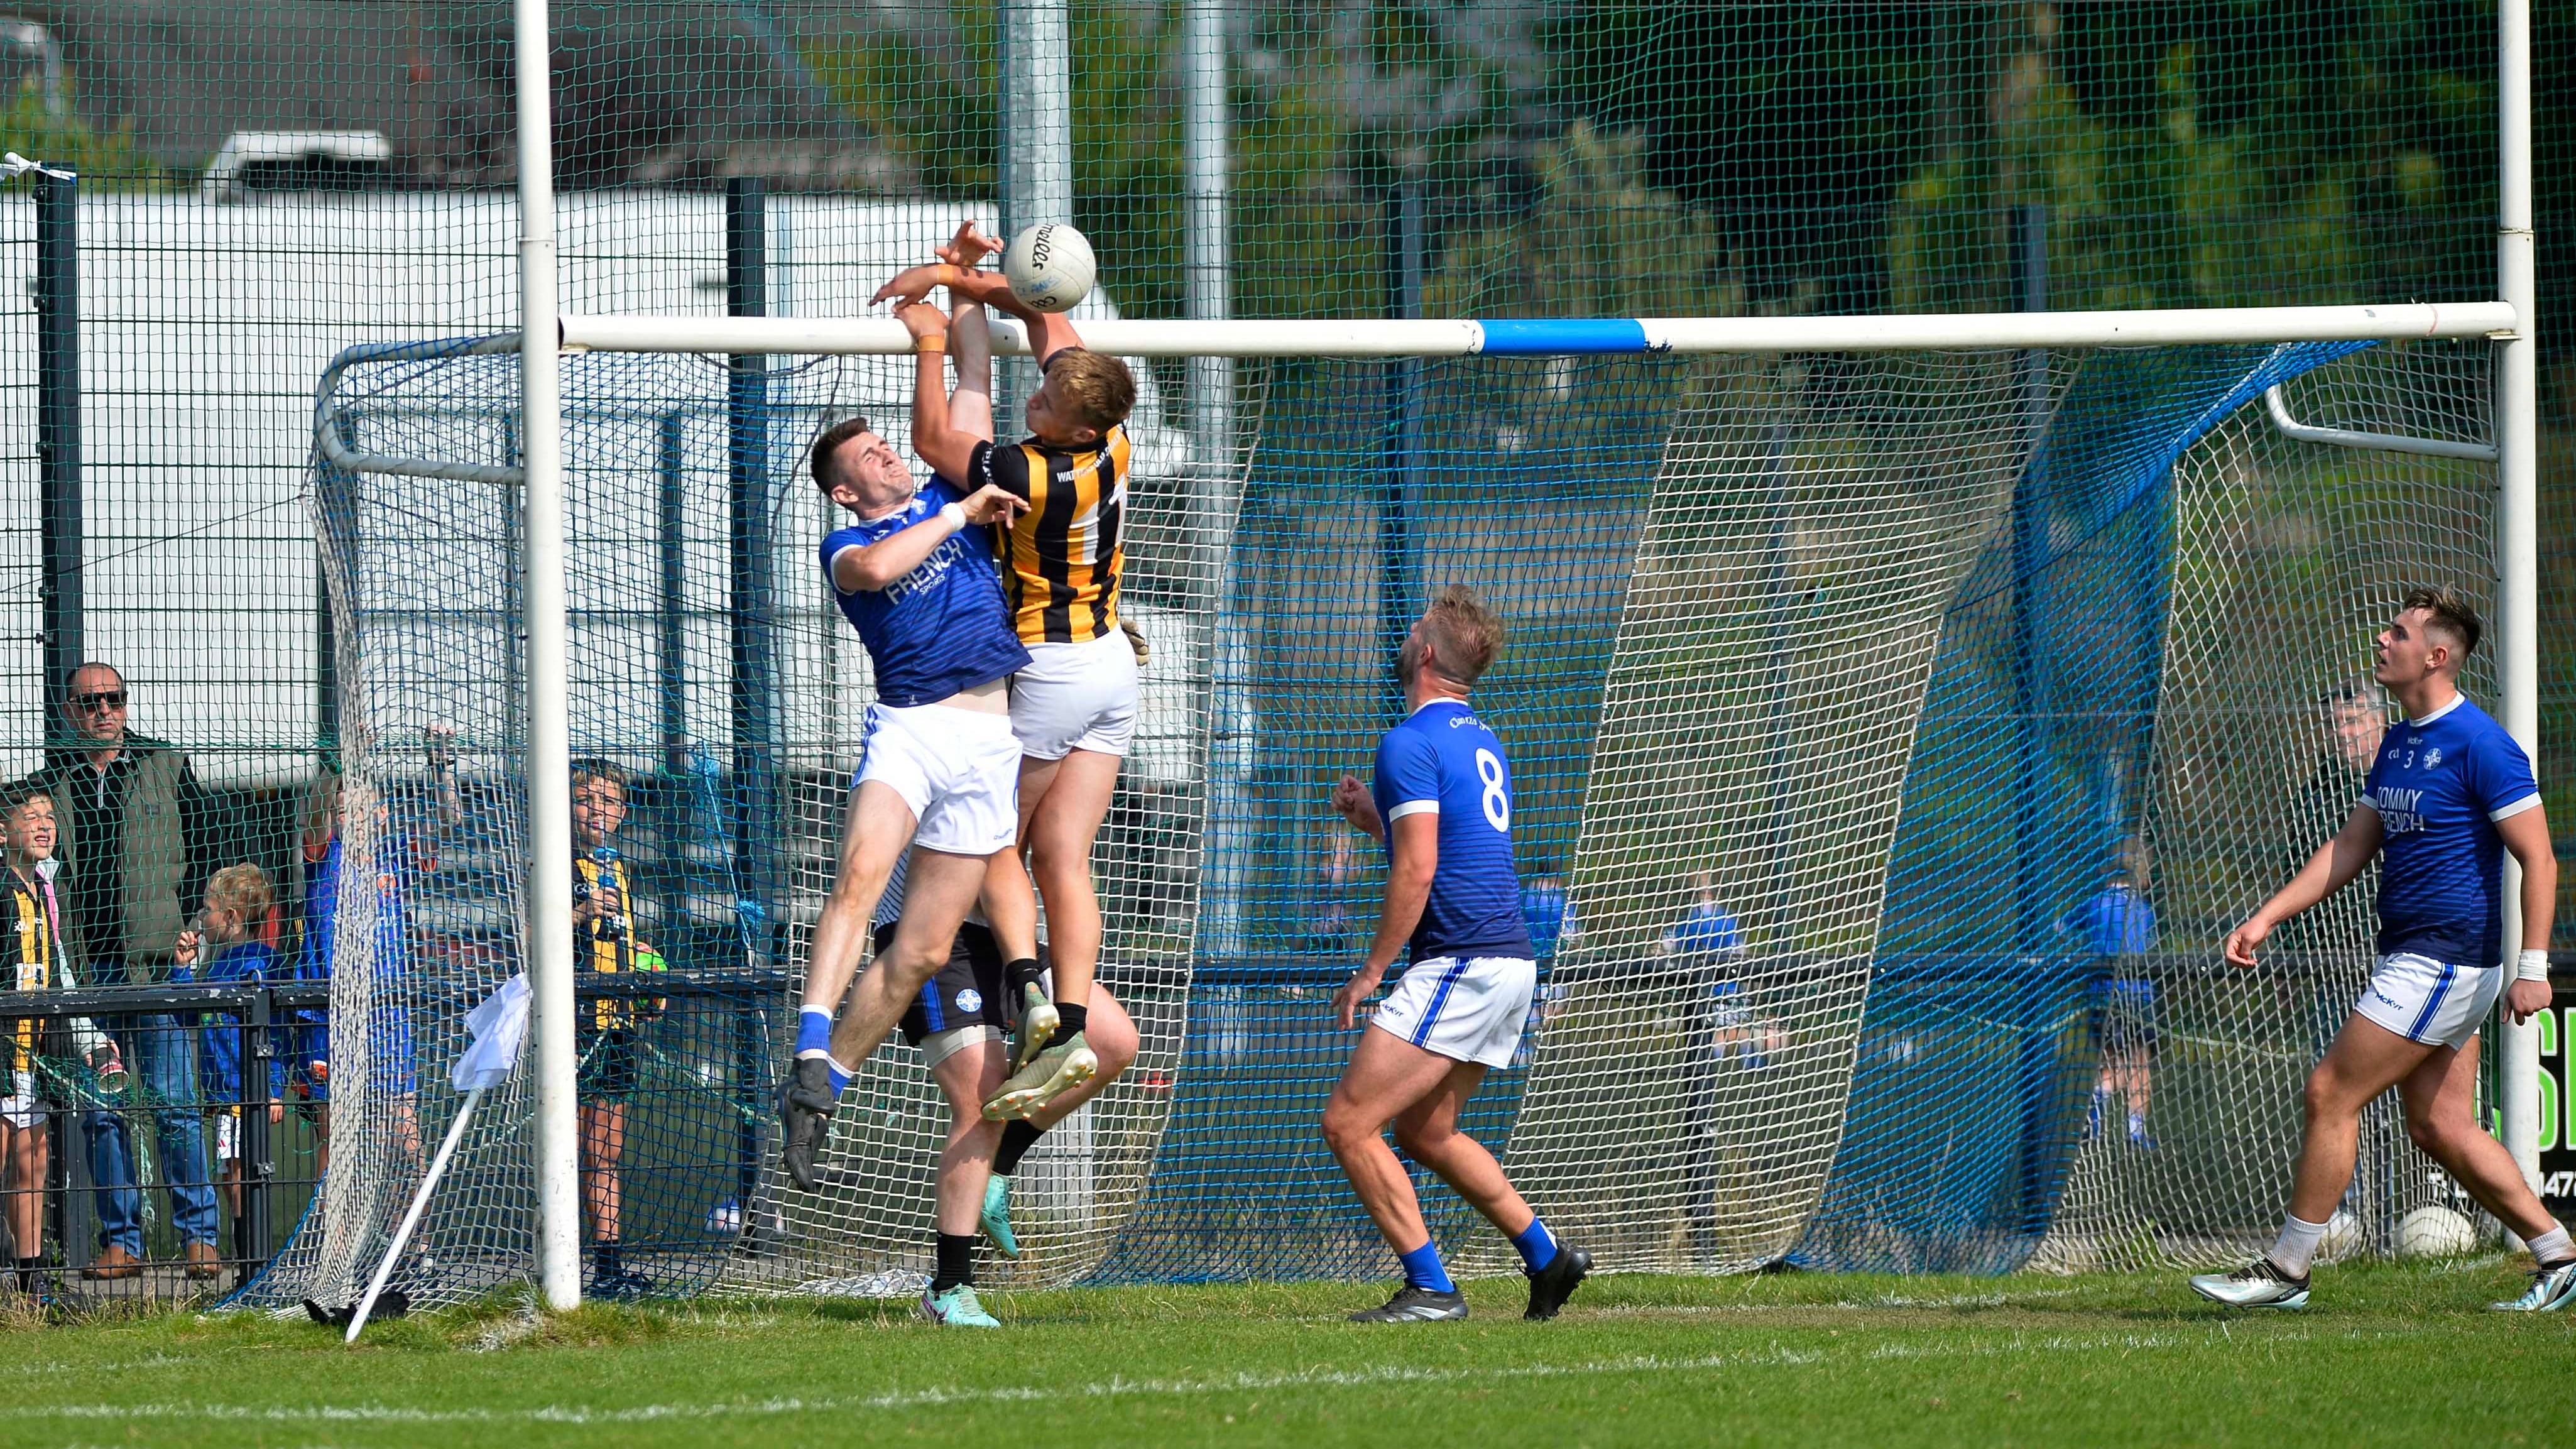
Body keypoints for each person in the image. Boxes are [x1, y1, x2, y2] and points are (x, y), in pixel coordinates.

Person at [2191, 588, 2572, 1312]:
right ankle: (2557, 1252)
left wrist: (2533, 967)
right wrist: (2265, 915)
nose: (2380, 638)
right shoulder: (2399, 738)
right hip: (2414, 954)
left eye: (2395, 632)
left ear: (2434, 655)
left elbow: (2540, 859)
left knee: (2329, 1091)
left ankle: (2286, 1270)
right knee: (2438, 1124)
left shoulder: (2481, 743)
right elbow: (2350, 844)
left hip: (2445, 958)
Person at [875, 223, 1143, 1122]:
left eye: (1046, 403)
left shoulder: (1028, 470)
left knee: (992, 838)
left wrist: (936, 333)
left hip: (1055, 668)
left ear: (1070, 423)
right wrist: (969, 276)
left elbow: (929, 438)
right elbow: (1044, 316)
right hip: (1113, 666)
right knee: (1065, 855)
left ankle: (1022, 986)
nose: (1035, 400)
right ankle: (1070, 1017)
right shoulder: (1111, 433)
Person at [774, 381, 1033, 1205]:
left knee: (920, 949)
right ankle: (812, 1043)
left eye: (885, 442)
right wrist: (961, 516)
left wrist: (960, 295)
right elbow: (885, 566)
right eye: (866, 455)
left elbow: (972, 393)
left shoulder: (944, 486)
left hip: (989, 738)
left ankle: (824, 1087)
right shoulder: (849, 545)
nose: (886, 450)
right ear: (845, 490)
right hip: (913, 727)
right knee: (859, 875)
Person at [1319, 586, 1591, 1322]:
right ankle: (1549, 1255)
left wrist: (1371, 973)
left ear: (1427, 653)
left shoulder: (1407, 740)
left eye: (1412, 629)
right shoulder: (1479, 736)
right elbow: (1444, 849)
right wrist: (1373, 817)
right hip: (1508, 961)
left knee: (1347, 1122)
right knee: (1425, 1131)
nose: (1404, 636)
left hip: (1463, 961)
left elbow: (1418, 871)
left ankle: (1433, 1288)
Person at [28, 662, 221, 1281]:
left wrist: (195, 921)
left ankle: (200, 1237)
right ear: (69, 710)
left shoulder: (165, 764)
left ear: (126, 703)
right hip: (87, 975)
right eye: (88, 702)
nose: (101, 710)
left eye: (111, 698)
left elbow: (211, 840)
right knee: (102, 1111)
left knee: (174, 1104)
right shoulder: (49, 780)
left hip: (156, 964)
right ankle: (123, 1242)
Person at [0, 784, 115, 1299]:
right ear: (4, 831)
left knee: (34, 1162)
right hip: (2, 1047)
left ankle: (33, 1280)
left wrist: (89, 1039)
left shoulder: (43, 888)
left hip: (36, 1049)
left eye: (50, 816)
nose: (45, 825)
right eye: (32, 817)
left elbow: (59, 973)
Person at [569, 759, 667, 1299]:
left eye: (608, 803)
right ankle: (556, 1253)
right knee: (572, 1146)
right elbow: (531, 936)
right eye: (587, 801)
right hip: (575, 1022)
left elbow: (621, 942)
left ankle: (609, 1263)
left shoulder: (620, 869)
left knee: (606, 1149)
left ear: (624, 812)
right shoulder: (557, 862)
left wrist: (646, 968)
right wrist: (581, 912)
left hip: (617, 1022)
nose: (598, 812)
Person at [183, 863, 283, 1220]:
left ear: (229, 917)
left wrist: (273, 1086)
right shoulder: (216, 964)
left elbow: (277, 1032)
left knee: (241, 1172)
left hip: (246, 1090)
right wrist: (182, 970)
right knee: (230, 1173)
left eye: (208, 910)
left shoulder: (262, 964)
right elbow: (187, 1014)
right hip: (222, 1092)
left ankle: (251, 1254)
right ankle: (246, 1251)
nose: (201, 917)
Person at [2067, 839, 2159, 1148]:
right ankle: (2135, 1128)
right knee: (2139, 1063)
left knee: (2110, 1060)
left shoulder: (2093, 905)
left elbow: (2062, 926)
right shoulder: (2143, 909)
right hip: (2136, 996)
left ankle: (2099, 1094)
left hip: (2101, 996)